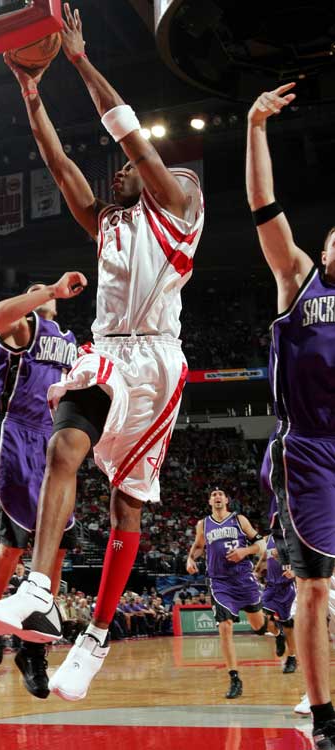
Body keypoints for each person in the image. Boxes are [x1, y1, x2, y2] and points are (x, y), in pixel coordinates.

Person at [0, 2, 204, 702]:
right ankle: (38, 593)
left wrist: (80, 59)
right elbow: (60, 164)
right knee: (63, 448)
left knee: (127, 508)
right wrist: (31, 94)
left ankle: (96, 637)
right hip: (105, 354)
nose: (122, 172)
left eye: (137, 169)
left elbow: (130, 136)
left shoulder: (177, 215)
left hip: (158, 365)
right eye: (124, 171)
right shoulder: (108, 224)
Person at [246, 82, 335, 748]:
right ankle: (324, 714)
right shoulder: (300, 278)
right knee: (314, 588)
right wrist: (255, 128)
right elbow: (264, 207)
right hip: (307, 451)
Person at [0, 276, 81, 698]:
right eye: (34, 290)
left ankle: (33, 650)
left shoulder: (71, 343)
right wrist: (49, 291)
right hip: (13, 432)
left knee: (58, 547)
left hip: (52, 440)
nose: (41, 291)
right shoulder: (22, 325)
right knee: (14, 542)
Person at [186, 488, 285, 699]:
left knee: (259, 627)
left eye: (220, 494)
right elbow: (198, 546)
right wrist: (190, 559)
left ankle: (278, 632)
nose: (217, 496)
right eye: (213, 495)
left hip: (243, 579)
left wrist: (245, 551)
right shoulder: (203, 524)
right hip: (219, 582)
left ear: (226, 500)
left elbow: (260, 543)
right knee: (224, 626)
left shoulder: (239, 519)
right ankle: (234, 678)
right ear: (209, 501)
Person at [254, 531, 297, 673]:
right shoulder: (268, 538)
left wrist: (295, 572)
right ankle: (278, 635)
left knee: (288, 626)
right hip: (271, 587)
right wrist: (256, 571)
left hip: (287, 588)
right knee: (261, 619)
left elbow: (305, 561)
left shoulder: (294, 536)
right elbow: (264, 557)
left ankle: (291, 658)